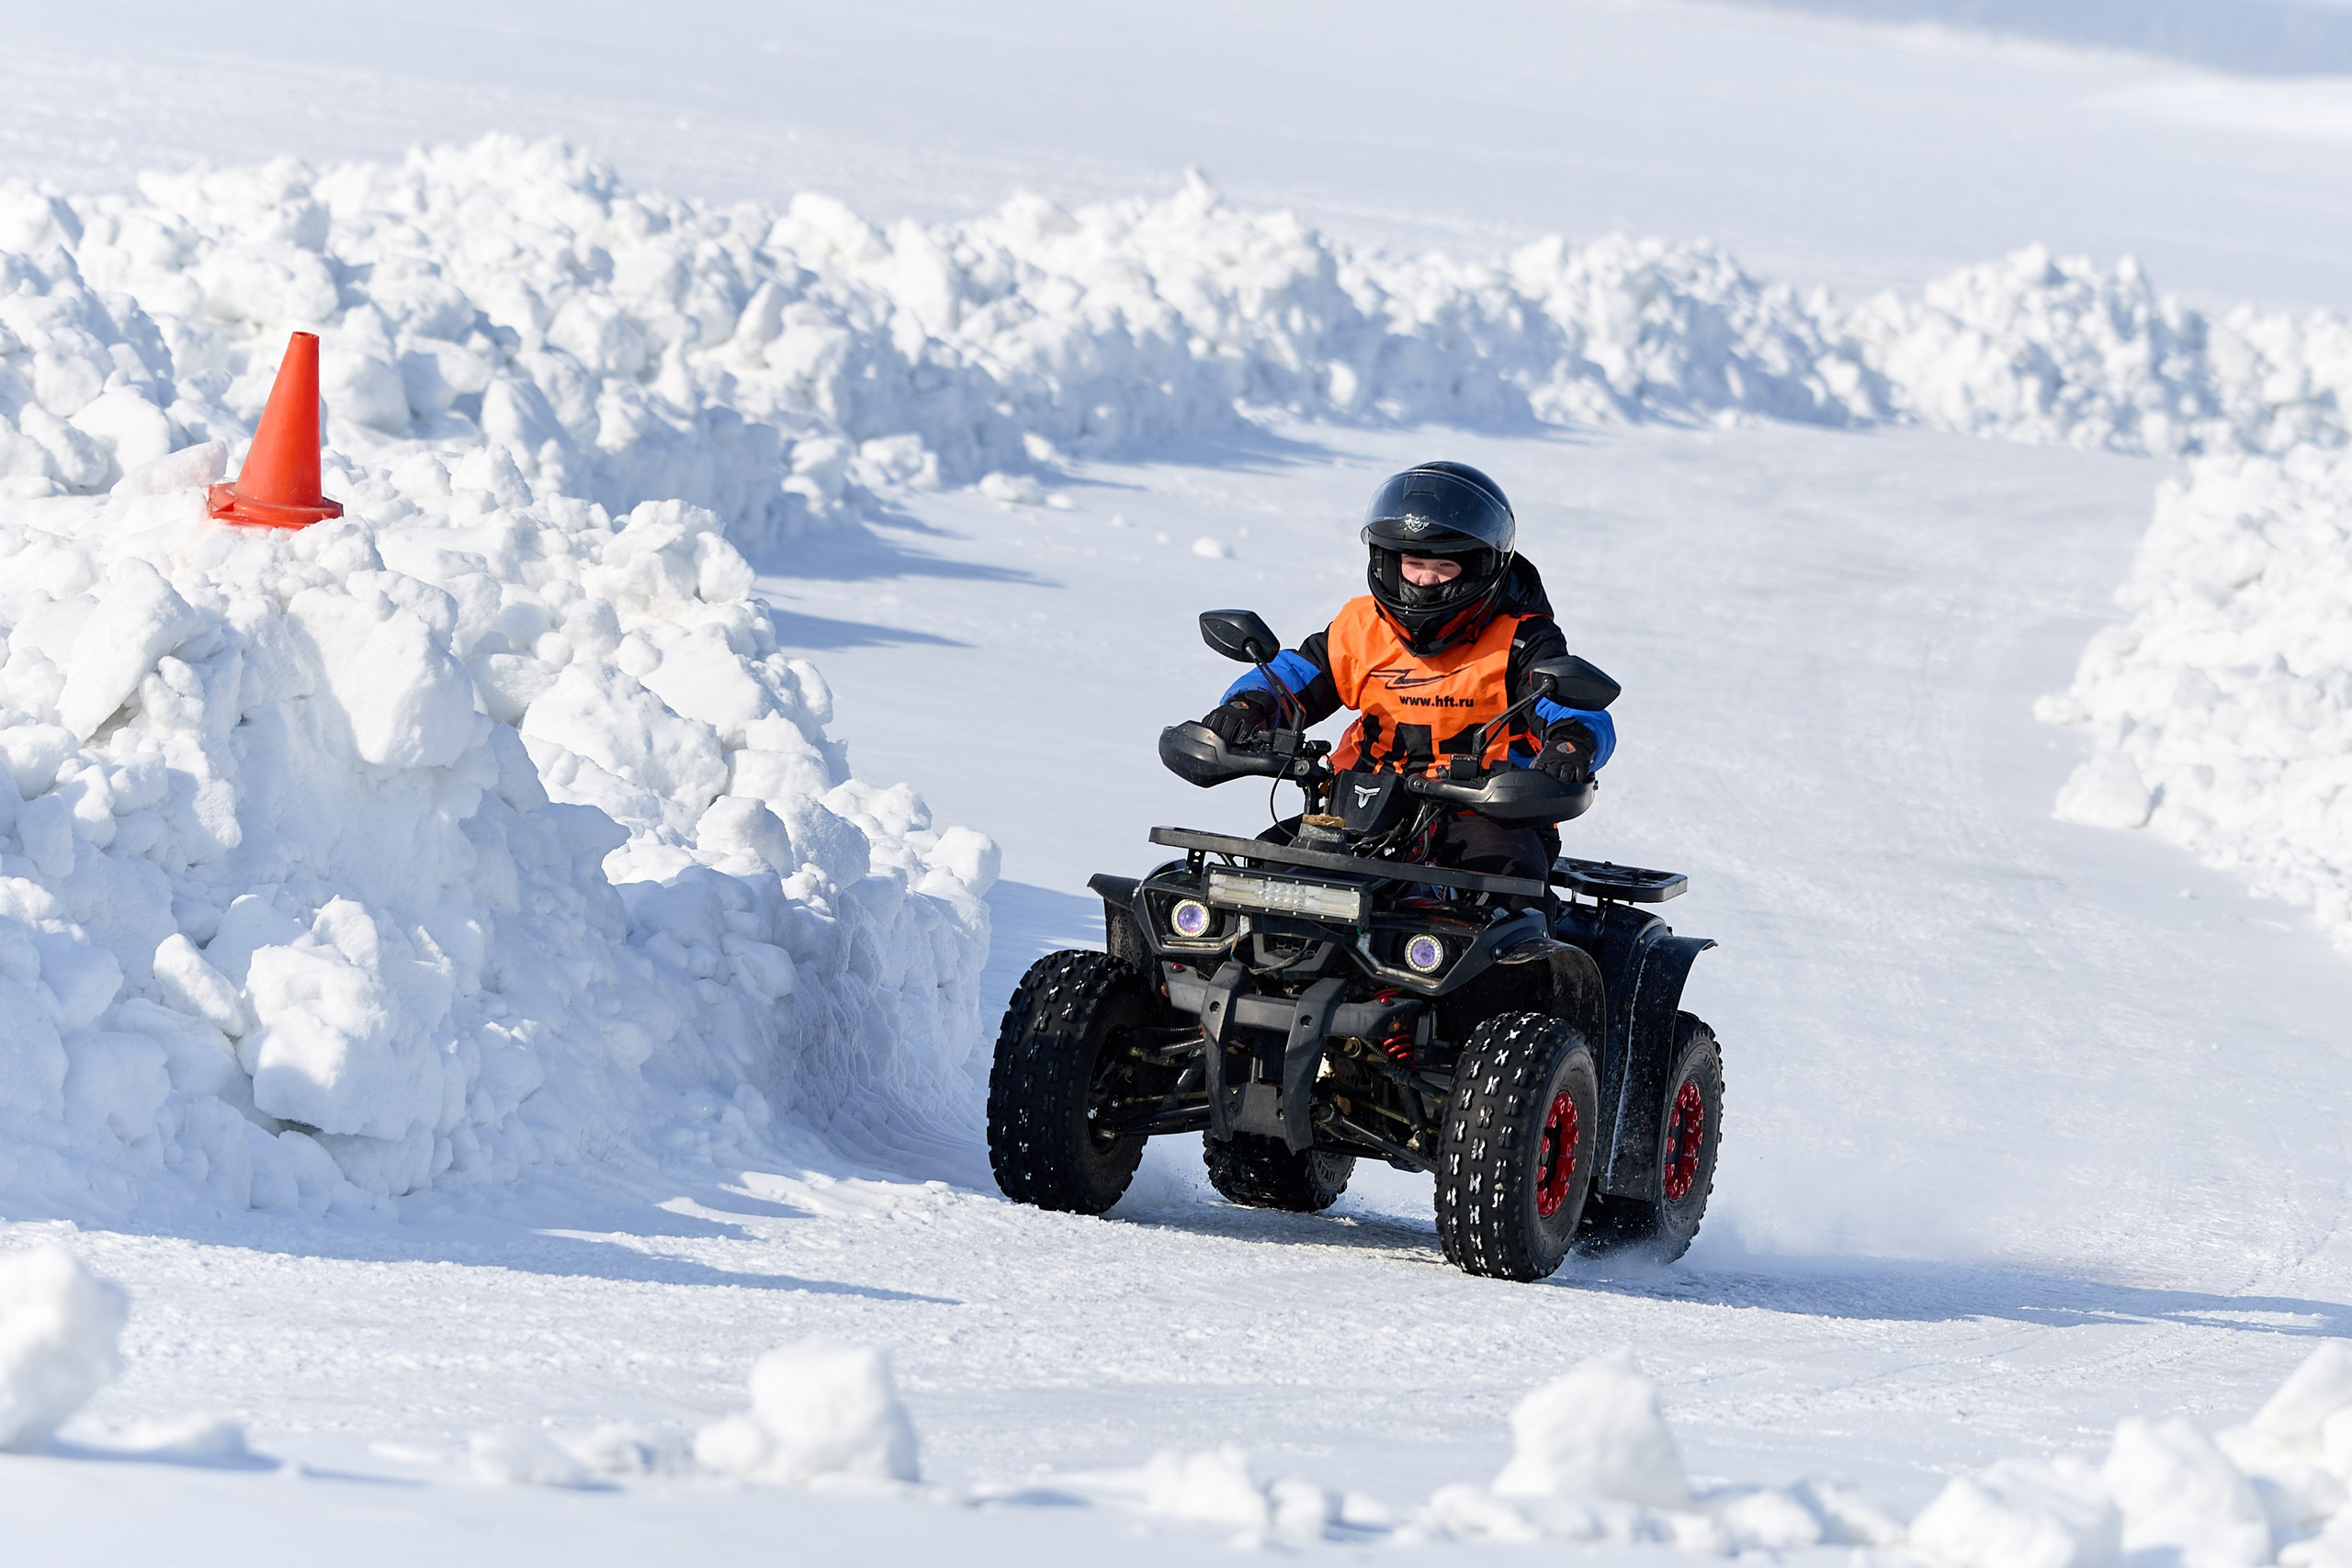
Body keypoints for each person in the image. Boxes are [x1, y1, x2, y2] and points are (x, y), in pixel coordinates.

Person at [1195, 460, 1614, 884]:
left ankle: (1540, 952)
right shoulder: (1361, 626)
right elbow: (1297, 673)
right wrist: (1248, 706)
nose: (1426, 581)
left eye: (1445, 567)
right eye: (1415, 564)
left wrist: (1570, 745)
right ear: (1389, 562)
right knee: (1254, 877)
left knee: (1509, 888)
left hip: (1484, 813)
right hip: (1357, 806)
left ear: (1480, 567)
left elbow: (1565, 700)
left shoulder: (1522, 638)